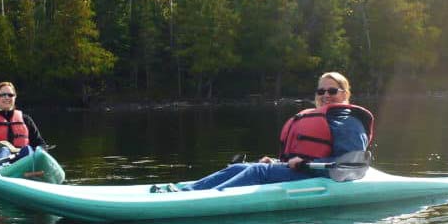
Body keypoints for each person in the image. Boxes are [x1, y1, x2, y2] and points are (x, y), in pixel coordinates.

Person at [160, 72, 373, 192]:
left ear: (345, 93)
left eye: (332, 91)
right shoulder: (320, 116)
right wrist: (277, 161)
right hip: (303, 169)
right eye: (321, 91)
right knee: (243, 167)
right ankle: (186, 188)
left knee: (257, 172)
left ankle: (202, 198)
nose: (326, 95)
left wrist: (306, 164)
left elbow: (349, 163)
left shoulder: (349, 121)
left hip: (321, 174)